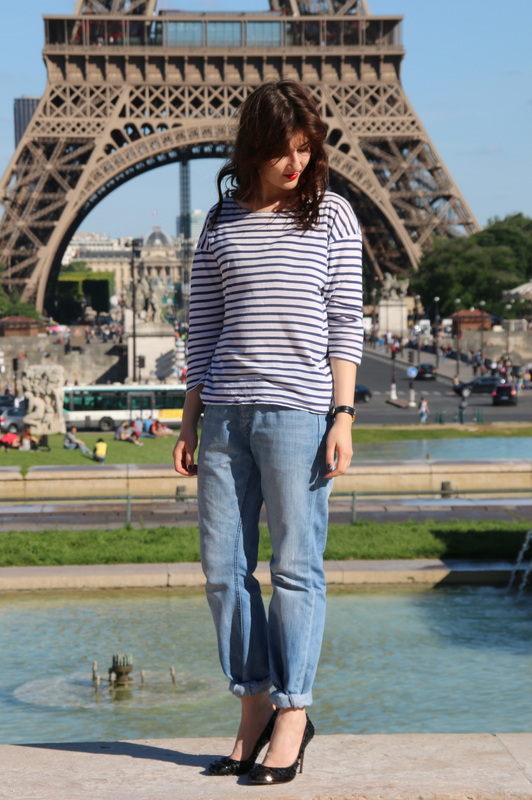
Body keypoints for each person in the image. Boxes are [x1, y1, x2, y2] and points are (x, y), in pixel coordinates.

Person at [173, 81, 363, 786]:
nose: (295, 161)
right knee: (224, 572)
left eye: (305, 148)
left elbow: (347, 322)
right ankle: (253, 704)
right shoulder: (221, 223)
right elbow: (205, 327)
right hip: (224, 414)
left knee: (294, 569)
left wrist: (343, 415)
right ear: (255, 147)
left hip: (299, 415)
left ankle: (293, 714)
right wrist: (190, 417)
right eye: (283, 148)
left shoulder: (334, 215)